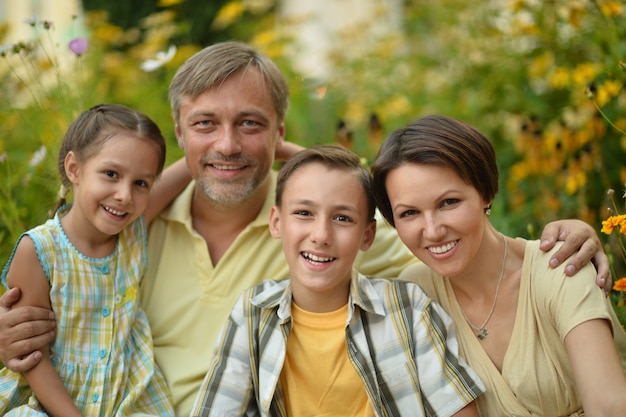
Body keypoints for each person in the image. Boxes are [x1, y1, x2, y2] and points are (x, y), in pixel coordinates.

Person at [0, 42, 613, 416]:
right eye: (205, 123)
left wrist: (569, 236)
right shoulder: (134, 227)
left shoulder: (328, 235)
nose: (228, 145)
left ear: (280, 130)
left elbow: (437, 226)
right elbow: (63, 272)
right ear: (178, 133)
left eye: (252, 124)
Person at [191, 145, 485, 417]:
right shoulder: (253, 312)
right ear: (277, 222)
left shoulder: (407, 308)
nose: (321, 236)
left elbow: (457, 409)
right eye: (304, 213)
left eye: (342, 218)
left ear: (367, 235)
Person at [370, 114, 626, 416]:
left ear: (486, 193)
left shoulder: (561, 266)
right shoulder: (414, 295)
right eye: (409, 213)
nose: (433, 230)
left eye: (448, 202)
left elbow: (609, 407)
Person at [0, 104, 177, 416]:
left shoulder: (134, 230)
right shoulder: (38, 250)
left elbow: (195, 164)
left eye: (141, 183)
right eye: (111, 174)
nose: (125, 194)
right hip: (51, 402)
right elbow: (31, 354)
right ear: (74, 169)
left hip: (127, 398)